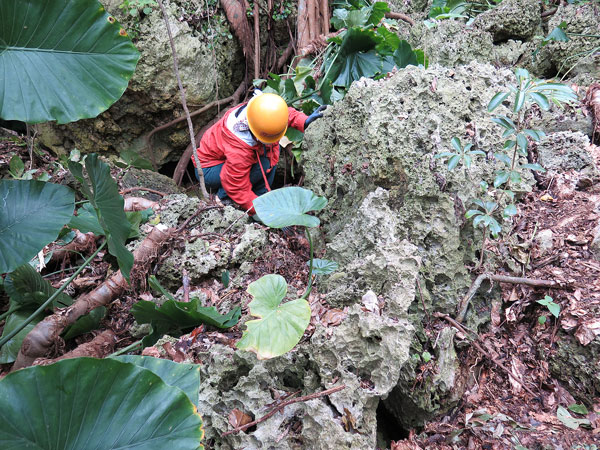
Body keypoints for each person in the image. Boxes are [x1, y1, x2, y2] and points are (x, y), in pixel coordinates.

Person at [193, 92, 326, 215]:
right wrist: (263, 211)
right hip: (207, 170)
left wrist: (304, 120)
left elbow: (279, 114)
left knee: (271, 152)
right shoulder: (239, 147)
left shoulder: (257, 108)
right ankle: (222, 197)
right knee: (262, 163)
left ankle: (262, 194)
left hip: (223, 159)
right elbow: (235, 185)